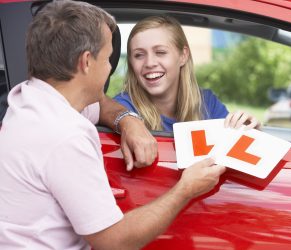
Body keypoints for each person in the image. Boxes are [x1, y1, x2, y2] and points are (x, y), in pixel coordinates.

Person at [0, 1, 225, 249]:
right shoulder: (64, 135)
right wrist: (185, 189)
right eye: (108, 58)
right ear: (86, 62)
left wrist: (128, 120)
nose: (109, 68)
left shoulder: (32, 100)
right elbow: (113, 242)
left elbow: (103, 105)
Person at [114, 15, 261, 132]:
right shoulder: (123, 108)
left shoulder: (207, 103)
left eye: (160, 52)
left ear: (183, 56)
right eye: (139, 55)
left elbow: (233, 150)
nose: (150, 63)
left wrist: (250, 131)